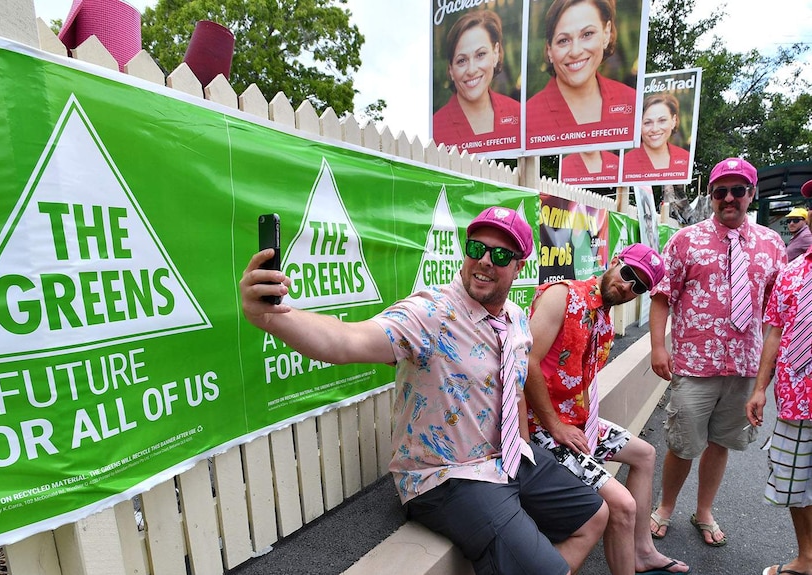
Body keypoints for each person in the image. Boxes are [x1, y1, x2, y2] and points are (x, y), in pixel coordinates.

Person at [240, 206, 609, 574]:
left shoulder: (514, 319)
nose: (483, 261)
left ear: (518, 267)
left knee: (596, 515)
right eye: (475, 248)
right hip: (446, 476)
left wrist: (524, 449)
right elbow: (346, 340)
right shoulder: (430, 313)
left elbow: (513, 392)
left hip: (506, 458)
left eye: (499, 255)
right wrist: (271, 317)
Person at [526, 244, 689, 575]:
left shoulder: (602, 317)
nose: (628, 286)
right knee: (623, 505)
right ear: (614, 262)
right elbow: (524, 363)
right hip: (541, 428)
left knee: (644, 454)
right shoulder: (564, 295)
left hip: (577, 422)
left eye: (639, 286)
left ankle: (642, 550)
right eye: (628, 274)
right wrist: (556, 426)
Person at [649, 158, 787, 546]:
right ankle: (665, 508)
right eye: (720, 191)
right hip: (694, 364)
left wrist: (769, 373)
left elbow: (778, 310)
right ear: (711, 196)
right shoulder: (685, 240)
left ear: (751, 194)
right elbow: (662, 295)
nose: (729, 198)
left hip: (744, 365)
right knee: (681, 443)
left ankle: (704, 511)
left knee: (721, 442)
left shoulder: (772, 244)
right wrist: (658, 347)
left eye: (738, 190)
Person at [746, 238, 812, 575]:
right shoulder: (792, 271)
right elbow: (774, 332)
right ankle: (807, 560)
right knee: (795, 484)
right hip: (795, 401)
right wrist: (760, 389)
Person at [525, 0, 636, 149]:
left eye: (587, 34)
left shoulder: (632, 101)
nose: (576, 51)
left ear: (606, 33)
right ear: (549, 50)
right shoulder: (528, 118)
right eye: (563, 40)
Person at [432, 11, 521, 154]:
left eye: (480, 55)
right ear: (450, 70)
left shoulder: (519, 114)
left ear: (496, 53)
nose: (472, 70)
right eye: (461, 61)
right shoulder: (434, 129)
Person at [622, 94, 690, 180]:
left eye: (662, 120)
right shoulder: (625, 163)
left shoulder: (686, 158)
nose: (655, 129)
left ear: (673, 121)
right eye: (647, 123)